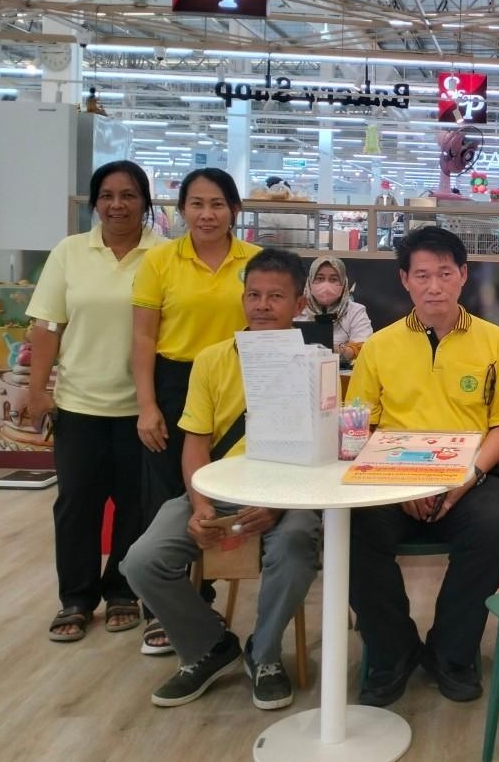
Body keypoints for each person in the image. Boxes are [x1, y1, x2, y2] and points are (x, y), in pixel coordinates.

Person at [121, 249, 321, 710]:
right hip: (217, 492)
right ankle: (210, 646)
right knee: (142, 561)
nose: (262, 306)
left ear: (299, 304)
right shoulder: (211, 360)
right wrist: (201, 504)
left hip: (288, 498)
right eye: (253, 295)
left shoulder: (317, 364)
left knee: (296, 545)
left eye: (276, 296)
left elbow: (322, 455)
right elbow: (195, 442)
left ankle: (264, 654)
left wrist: (278, 505)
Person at [346, 226, 499, 708]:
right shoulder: (378, 346)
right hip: (390, 479)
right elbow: (359, 427)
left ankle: (451, 651)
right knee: (348, 530)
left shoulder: (494, 342)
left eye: (445, 273)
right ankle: (392, 650)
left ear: (463, 275)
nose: (434, 286)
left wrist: (464, 481)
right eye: (422, 275)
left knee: (497, 531)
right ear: (405, 280)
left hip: (470, 476)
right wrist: (402, 485)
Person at [28, 161, 165, 642]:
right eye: (106, 195)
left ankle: (123, 591)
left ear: (144, 202)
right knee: (76, 504)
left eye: (128, 195)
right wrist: (37, 390)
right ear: (94, 202)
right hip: (79, 404)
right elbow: (48, 325)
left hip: (142, 407)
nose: (117, 205)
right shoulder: (70, 252)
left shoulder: (164, 255)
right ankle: (76, 598)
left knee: (135, 505)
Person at [130, 167, 260, 655]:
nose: (207, 214)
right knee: (170, 495)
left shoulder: (254, 260)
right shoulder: (160, 261)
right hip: (174, 382)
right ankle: (169, 610)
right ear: (181, 209)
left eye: (218, 204)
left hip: (241, 380)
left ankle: (202, 600)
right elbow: (143, 336)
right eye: (197, 204)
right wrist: (147, 405)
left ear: (234, 210)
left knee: (225, 489)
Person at [296, 256, 374, 364]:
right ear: (310, 282)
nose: (326, 285)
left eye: (333, 279)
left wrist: (337, 350)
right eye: (320, 278)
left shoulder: (355, 311)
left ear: (344, 283)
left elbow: (364, 348)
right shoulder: (297, 309)